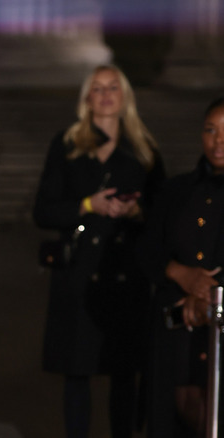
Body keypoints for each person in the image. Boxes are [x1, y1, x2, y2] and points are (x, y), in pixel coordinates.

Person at [33, 64, 165, 438]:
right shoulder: (67, 145)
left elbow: (163, 214)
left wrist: (136, 210)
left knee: (125, 374)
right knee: (77, 374)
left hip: (126, 275)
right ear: (87, 98)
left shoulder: (144, 149)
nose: (106, 96)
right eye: (97, 89)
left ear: (125, 96)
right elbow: (43, 210)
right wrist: (89, 205)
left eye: (113, 88)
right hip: (79, 274)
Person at [138, 97, 224, 438]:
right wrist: (179, 274)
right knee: (169, 418)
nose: (218, 141)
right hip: (174, 330)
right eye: (211, 130)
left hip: (217, 329)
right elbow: (145, 249)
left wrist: (209, 296)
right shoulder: (176, 190)